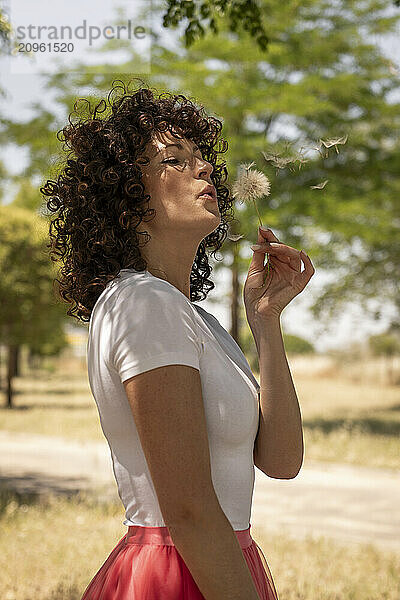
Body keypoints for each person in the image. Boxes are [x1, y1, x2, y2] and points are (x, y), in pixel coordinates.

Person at [42, 79, 314, 599]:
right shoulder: (144, 304)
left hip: (220, 558)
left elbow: (281, 461)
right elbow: (187, 510)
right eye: (174, 160)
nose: (205, 168)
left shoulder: (194, 318)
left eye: (202, 157)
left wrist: (266, 321)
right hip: (181, 571)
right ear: (126, 201)